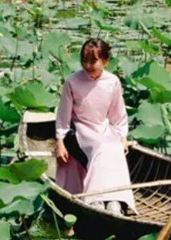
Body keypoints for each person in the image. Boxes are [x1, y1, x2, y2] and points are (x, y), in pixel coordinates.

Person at [55, 38, 135, 216]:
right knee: (100, 148)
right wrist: (60, 141)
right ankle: (95, 198)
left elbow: (118, 115)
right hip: (81, 129)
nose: (88, 65)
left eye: (93, 61)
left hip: (104, 128)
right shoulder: (72, 82)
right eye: (84, 60)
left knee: (114, 147)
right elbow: (63, 116)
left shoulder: (112, 82)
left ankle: (115, 199)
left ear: (105, 61)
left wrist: (122, 137)